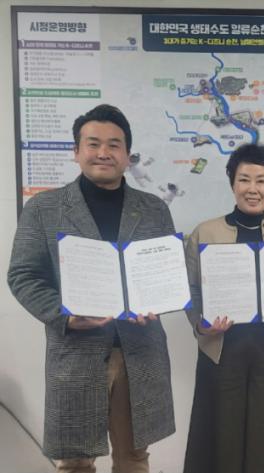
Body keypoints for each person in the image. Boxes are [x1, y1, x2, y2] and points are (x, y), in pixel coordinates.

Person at [7, 104, 176, 473]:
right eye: (93, 143)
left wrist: (157, 301)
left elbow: (165, 273)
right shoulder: (44, 208)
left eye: (114, 145)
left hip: (139, 352)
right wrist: (65, 315)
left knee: (134, 457)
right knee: (75, 461)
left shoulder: (153, 209)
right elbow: (23, 275)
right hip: (76, 353)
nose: (103, 152)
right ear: (76, 151)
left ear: (127, 155)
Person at [183, 143, 264, 473]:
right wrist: (202, 325)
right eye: (244, 179)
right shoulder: (205, 232)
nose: (253, 189)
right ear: (232, 183)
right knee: (221, 440)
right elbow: (191, 291)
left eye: (262, 181)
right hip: (220, 352)